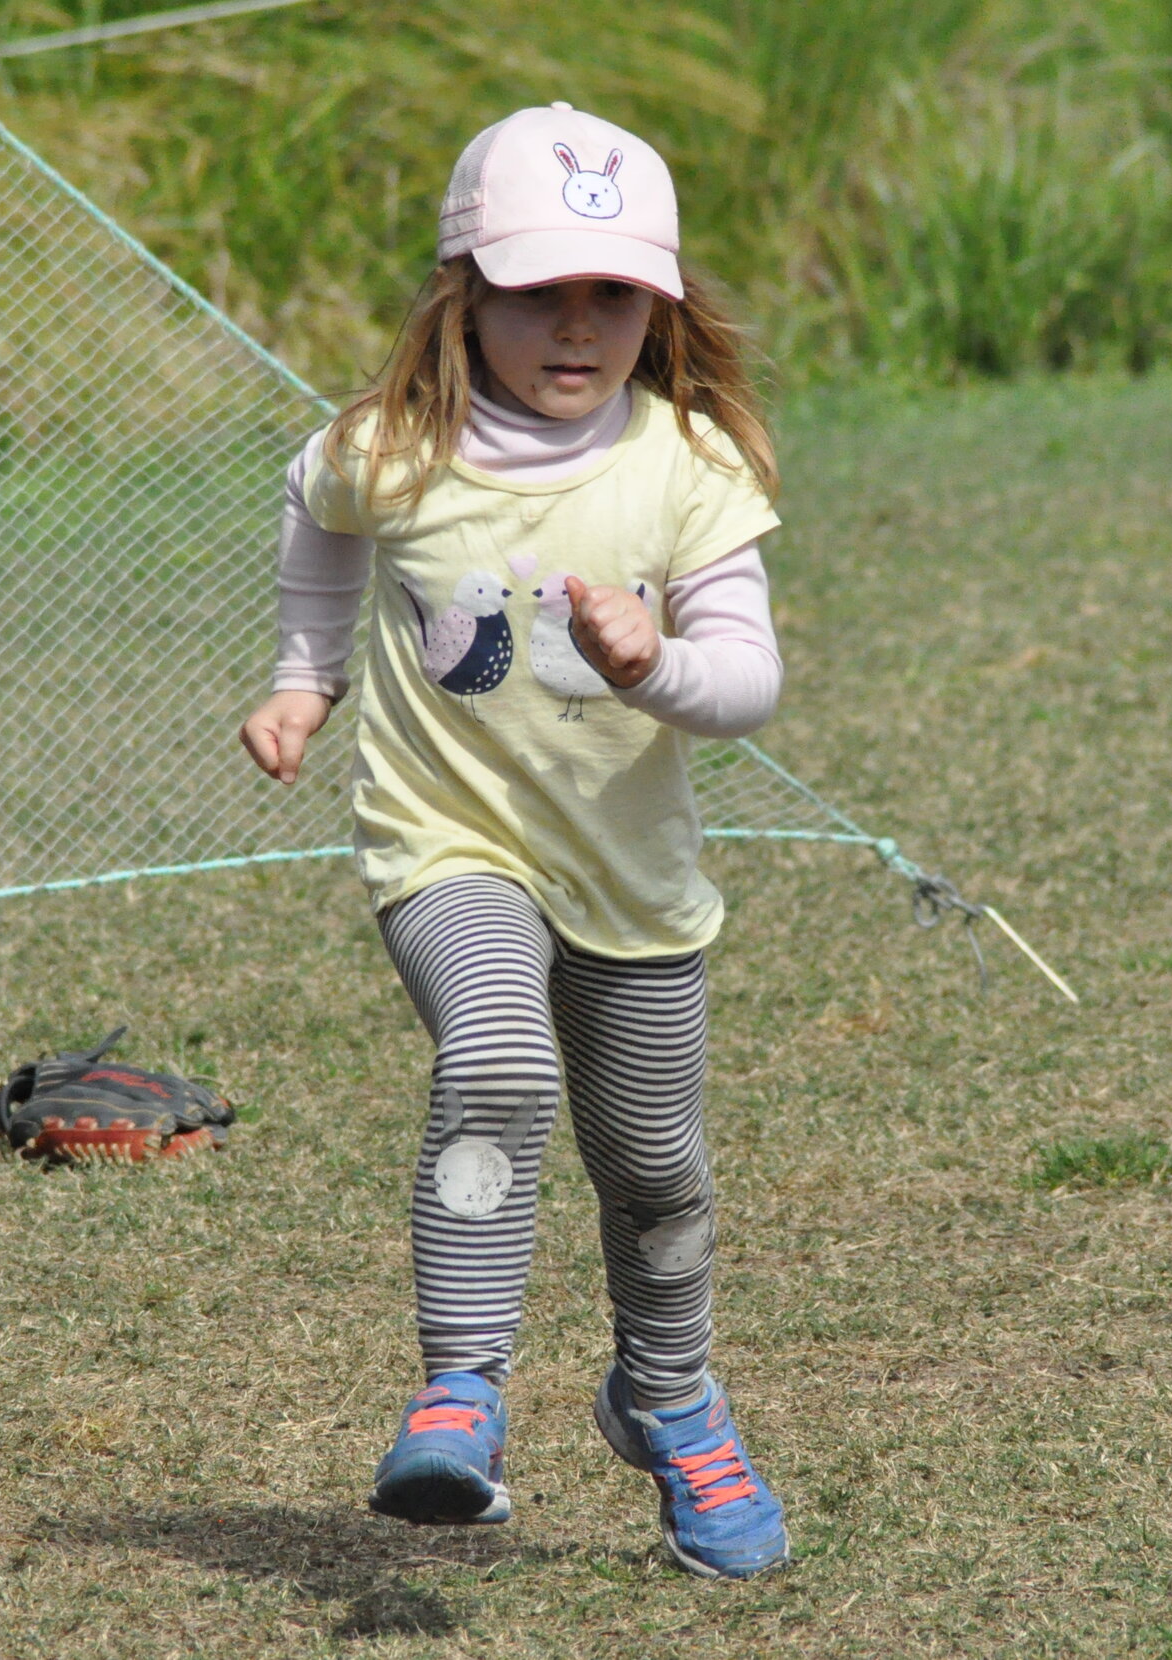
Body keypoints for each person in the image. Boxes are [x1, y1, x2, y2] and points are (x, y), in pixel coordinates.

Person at [236, 102, 789, 1580]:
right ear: (462, 293)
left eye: (612, 292)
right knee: (493, 1065)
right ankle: (459, 1394)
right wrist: (308, 676)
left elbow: (749, 683)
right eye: (538, 289)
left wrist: (650, 665)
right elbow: (315, 506)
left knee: (654, 1166)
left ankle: (668, 1402)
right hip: (447, 847)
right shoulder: (393, 450)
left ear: (656, 304)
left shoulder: (683, 465)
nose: (576, 324)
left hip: (633, 881)